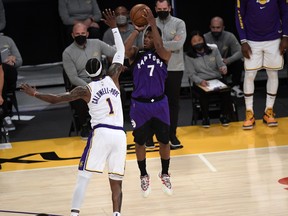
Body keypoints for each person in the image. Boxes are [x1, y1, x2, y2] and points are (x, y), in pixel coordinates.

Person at [21, 9, 126, 216]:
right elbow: (120, 52)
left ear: (87, 74)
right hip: (120, 135)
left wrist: (35, 93)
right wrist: (114, 28)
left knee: (84, 176)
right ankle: (116, 214)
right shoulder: (113, 78)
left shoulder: (85, 90)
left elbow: (57, 99)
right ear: (103, 69)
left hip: (102, 133)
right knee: (116, 181)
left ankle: (74, 214)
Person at [125, 6, 173, 197]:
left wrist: (153, 24)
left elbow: (160, 47)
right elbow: (125, 49)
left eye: (150, 36)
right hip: (140, 105)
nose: (147, 39)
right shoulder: (136, 54)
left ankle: (165, 173)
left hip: (160, 104)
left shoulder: (164, 54)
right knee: (140, 142)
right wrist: (137, 29)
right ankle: (144, 175)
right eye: (145, 37)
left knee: (164, 141)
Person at [235, 0, 288, 130]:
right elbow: (239, 14)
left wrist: (285, 36)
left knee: (272, 73)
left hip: (274, 38)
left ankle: (269, 110)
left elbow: (286, 12)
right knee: (249, 74)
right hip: (251, 39)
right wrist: (243, 40)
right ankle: (249, 113)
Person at [62, 21, 116, 139]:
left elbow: (114, 52)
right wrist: (90, 87)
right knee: (78, 96)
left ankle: (111, 122)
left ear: (87, 34)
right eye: (77, 34)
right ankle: (84, 126)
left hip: (100, 80)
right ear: (72, 35)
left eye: (82, 33)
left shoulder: (96, 43)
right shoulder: (67, 53)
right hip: (81, 83)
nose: (80, 35)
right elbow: (73, 77)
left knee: (118, 91)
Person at [146, 0, 186, 148]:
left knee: (173, 103)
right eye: (160, 8)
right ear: (155, 9)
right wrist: (168, 43)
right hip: (154, 68)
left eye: (165, 8)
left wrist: (159, 44)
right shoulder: (149, 24)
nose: (163, 10)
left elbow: (179, 44)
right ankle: (150, 136)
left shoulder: (179, 23)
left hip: (174, 68)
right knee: (152, 102)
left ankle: (171, 135)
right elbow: (148, 44)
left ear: (170, 8)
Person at [185, 30, 233, 127]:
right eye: (194, 41)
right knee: (203, 93)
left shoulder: (214, 50)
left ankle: (223, 115)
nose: (198, 43)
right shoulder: (189, 56)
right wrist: (200, 81)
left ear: (203, 40)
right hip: (201, 81)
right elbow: (191, 74)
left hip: (216, 79)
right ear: (191, 43)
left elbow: (221, 64)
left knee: (226, 91)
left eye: (199, 40)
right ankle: (205, 117)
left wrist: (224, 69)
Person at [204, 16, 244, 98]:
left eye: (218, 28)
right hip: (211, 67)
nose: (215, 30)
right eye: (213, 27)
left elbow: (240, 52)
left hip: (225, 64)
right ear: (210, 27)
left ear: (223, 27)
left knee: (238, 61)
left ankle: (235, 86)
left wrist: (228, 60)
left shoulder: (229, 36)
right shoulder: (205, 37)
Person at [0, 34, 23, 131]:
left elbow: (19, 60)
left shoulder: (7, 40)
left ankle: (5, 116)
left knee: (3, 70)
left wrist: (13, 62)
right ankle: (5, 116)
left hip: (9, 71)